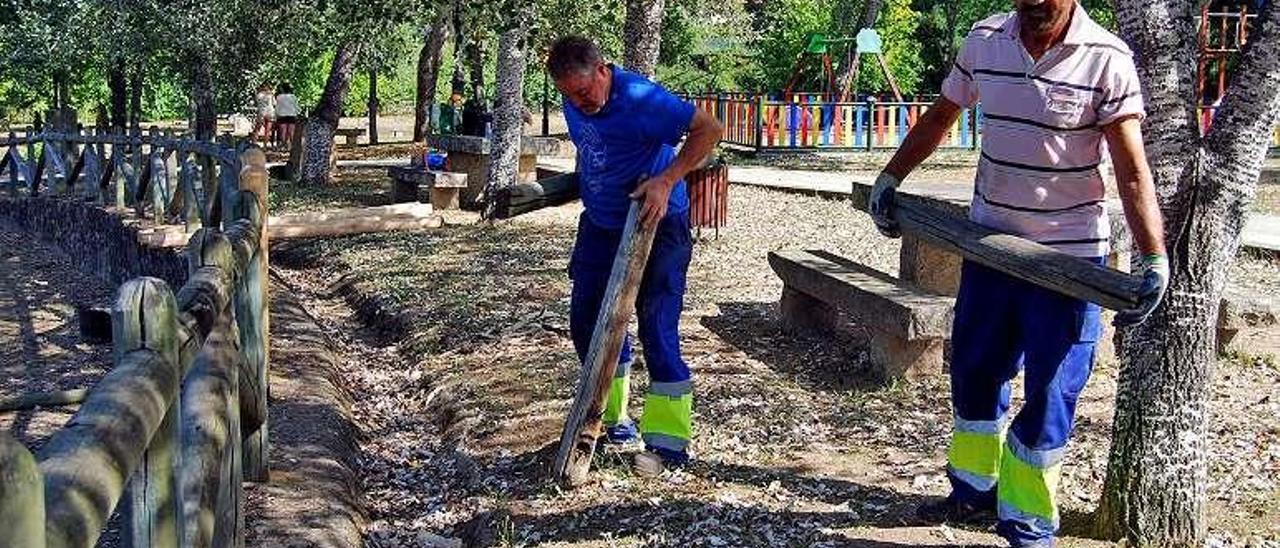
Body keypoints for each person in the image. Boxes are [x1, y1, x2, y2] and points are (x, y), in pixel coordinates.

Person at [866, 1, 1169, 546]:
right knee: (975, 373)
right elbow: (941, 116)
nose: (1032, 4)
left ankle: (1027, 523)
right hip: (991, 249)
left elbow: (1130, 167)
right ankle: (972, 494)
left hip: (1068, 263)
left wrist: (1153, 257)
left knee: (1053, 390)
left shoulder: (1107, 57)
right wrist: (890, 178)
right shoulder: (986, 38)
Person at [548, 36, 723, 477]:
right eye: (568, 96)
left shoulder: (643, 100)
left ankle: (668, 444)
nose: (579, 103)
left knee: (656, 325)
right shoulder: (576, 96)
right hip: (601, 224)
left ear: (603, 71)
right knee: (588, 320)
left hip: (658, 226)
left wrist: (667, 180)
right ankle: (612, 420)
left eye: (585, 92)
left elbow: (710, 129)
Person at [275, 83, 301, 147]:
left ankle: (284, 145)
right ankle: (292, 146)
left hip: (282, 115)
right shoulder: (293, 97)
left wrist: (276, 114)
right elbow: (296, 106)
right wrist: (298, 113)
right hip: (292, 115)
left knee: (283, 131)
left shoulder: (279, 97)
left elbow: (278, 107)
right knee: (291, 131)